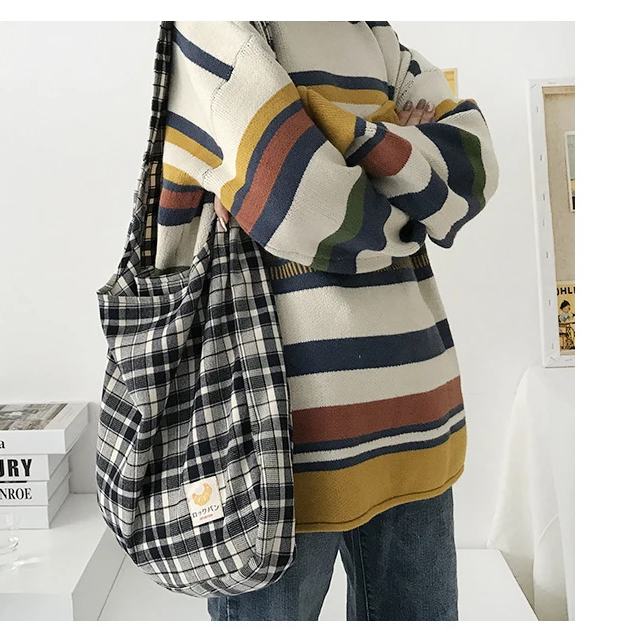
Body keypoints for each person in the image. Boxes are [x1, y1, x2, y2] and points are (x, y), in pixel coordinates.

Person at [153, 21, 500, 620]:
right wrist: (396, 145)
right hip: (274, 441)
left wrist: (319, 125)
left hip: (418, 418)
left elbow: (473, 168)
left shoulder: (372, 30)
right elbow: (309, 205)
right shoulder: (215, 27)